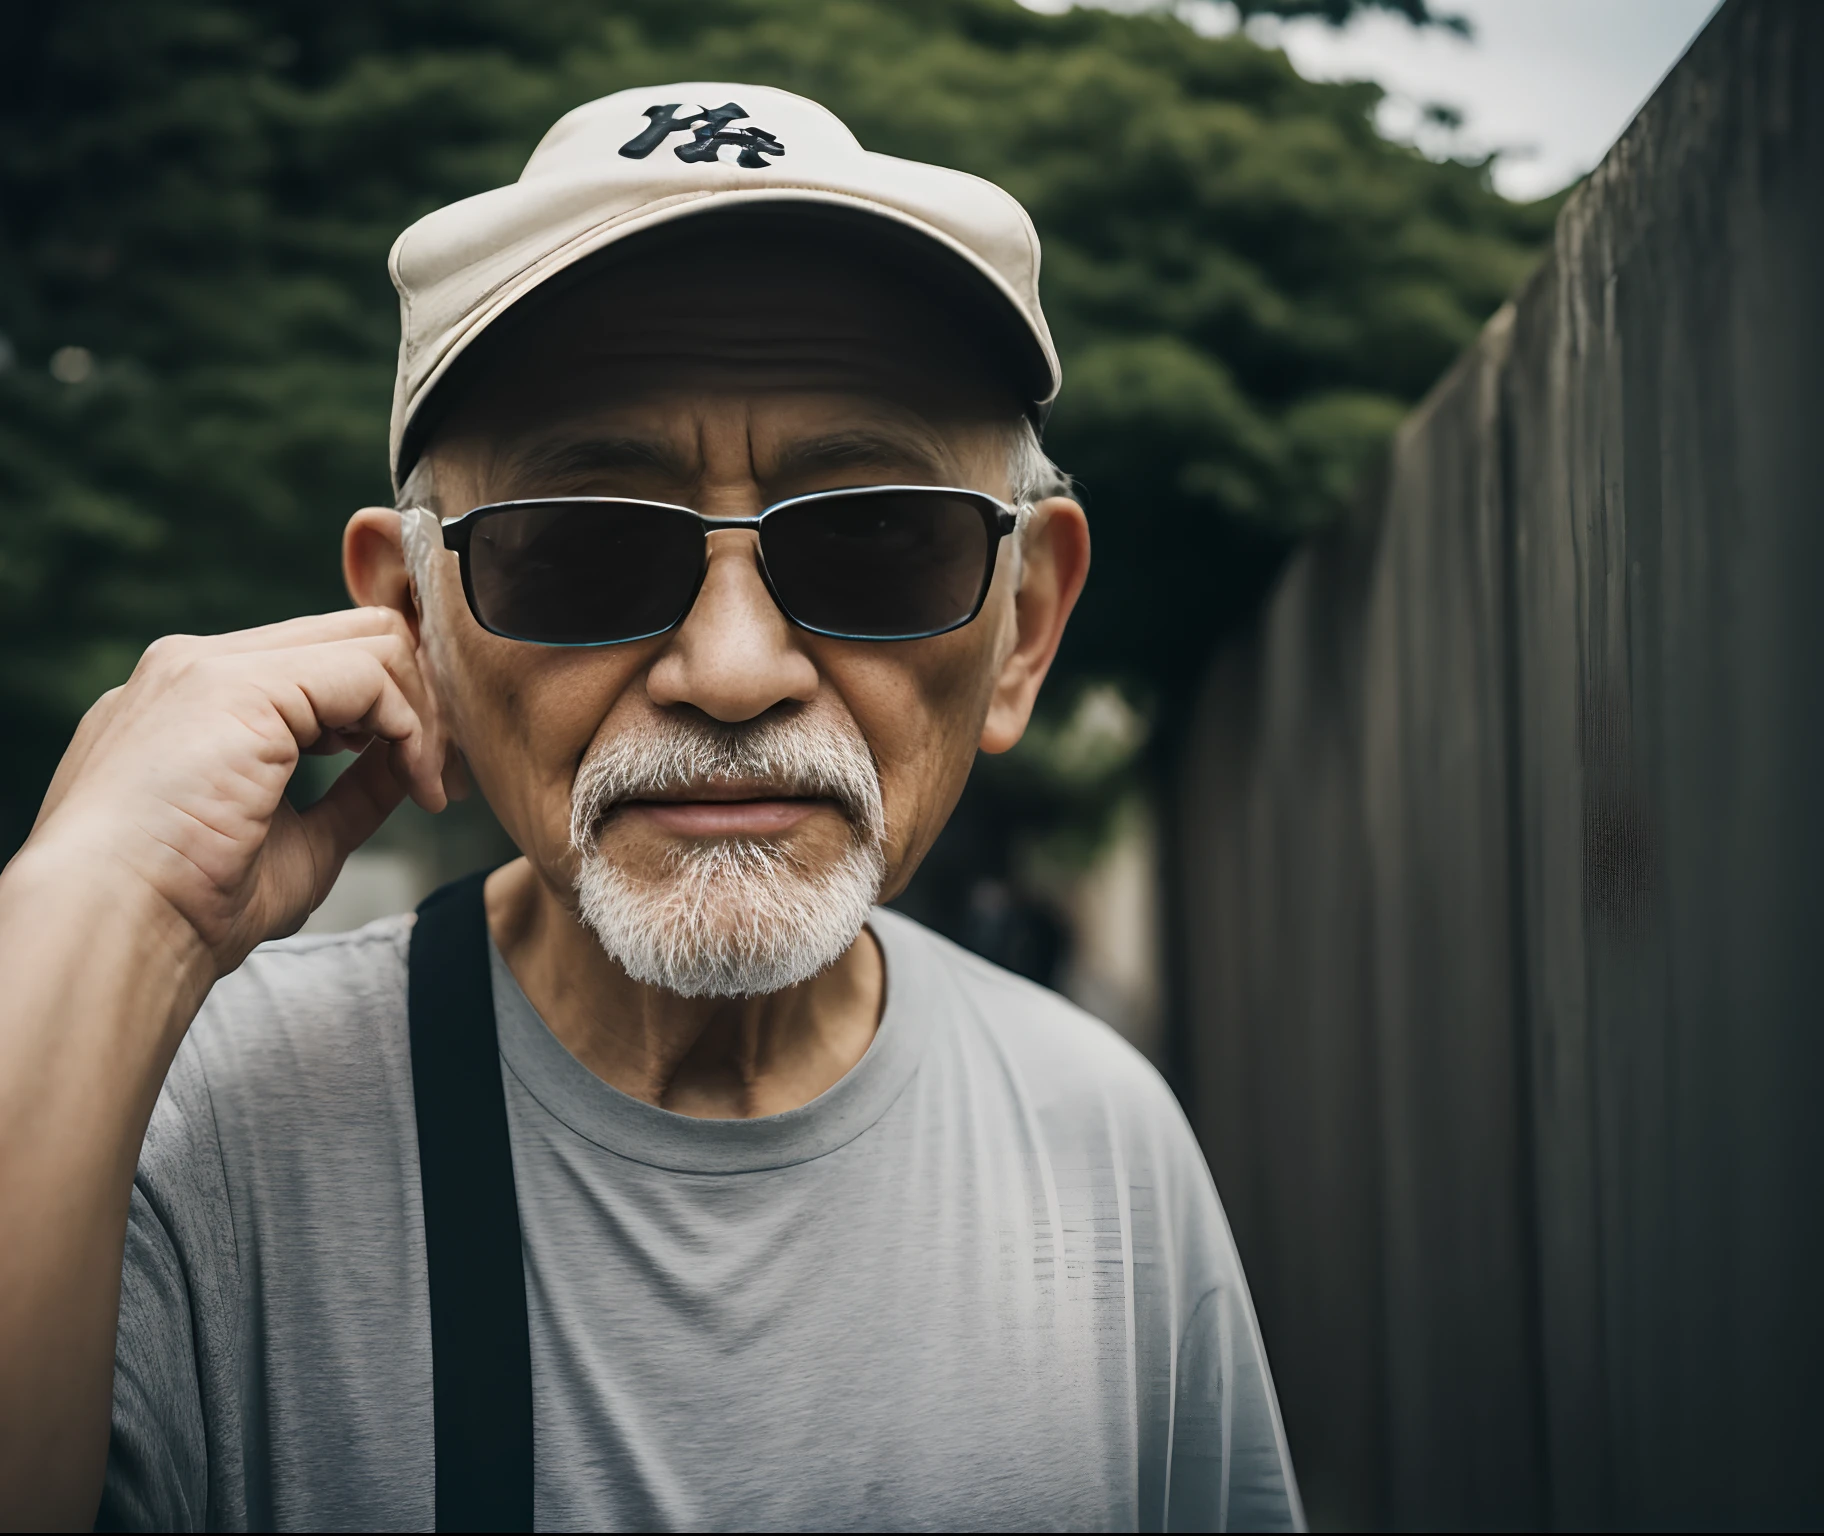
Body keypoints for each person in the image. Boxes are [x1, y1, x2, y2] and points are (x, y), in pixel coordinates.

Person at [0, 85, 1302, 1532]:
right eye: (580, 550)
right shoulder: (175, 1136)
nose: (734, 672)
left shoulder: (1104, 1144)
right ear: (418, 626)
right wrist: (88, 910)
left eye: (875, 537)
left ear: (1025, 629)